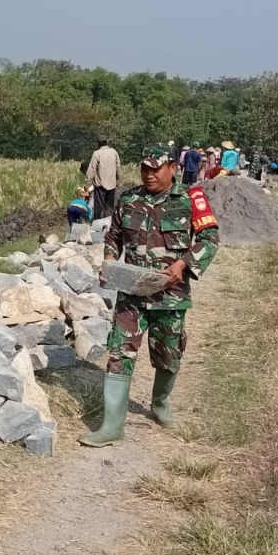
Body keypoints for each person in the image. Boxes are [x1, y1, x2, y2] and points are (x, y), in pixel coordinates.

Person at [79, 146, 220, 446]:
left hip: (170, 295)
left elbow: (210, 239)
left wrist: (184, 264)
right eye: (145, 168)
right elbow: (114, 236)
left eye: (156, 168)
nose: (150, 174)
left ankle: (160, 403)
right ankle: (112, 424)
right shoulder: (130, 199)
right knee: (120, 353)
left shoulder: (190, 200)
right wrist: (109, 261)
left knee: (168, 356)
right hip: (132, 291)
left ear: (172, 167)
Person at [85, 134, 121, 219]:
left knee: (98, 206)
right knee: (109, 206)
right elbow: (118, 168)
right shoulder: (114, 152)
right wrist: (119, 180)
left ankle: (96, 223)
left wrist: (87, 181)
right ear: (106, 142)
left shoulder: (97, 153)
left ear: (98, 143)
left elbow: (92, 169)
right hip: (112, 184)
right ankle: (107, 224)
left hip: (100, 185)